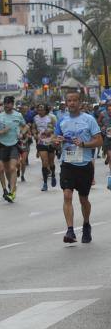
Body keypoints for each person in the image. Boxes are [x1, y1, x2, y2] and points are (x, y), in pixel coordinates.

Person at [53, 91, 102, 244]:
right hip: (68, 163)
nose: (72, 103)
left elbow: (99, 140)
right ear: (66, 103)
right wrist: (57, 140)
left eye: (74, 100)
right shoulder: (62, 120)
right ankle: (70, 230)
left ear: (80, 103)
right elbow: (55, 137)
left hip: (85, 164)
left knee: (83, 199)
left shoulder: (89, 119)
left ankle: (86, 225)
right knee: (67, 195)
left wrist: (84, 144)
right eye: (69, 100)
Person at [0, 96, 25, 202]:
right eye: (5, 103)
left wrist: (21, 133)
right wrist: (2, 132)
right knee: (4, 169)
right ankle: (7, 187)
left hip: (14, 145)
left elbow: (25, 126)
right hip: (2, 145)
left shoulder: (18, 115)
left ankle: (12, 192)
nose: (7, 105)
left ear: (12, 104)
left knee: (12, 168)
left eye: (9, 103)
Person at [33, 103, 58, 191]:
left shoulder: (51, 117)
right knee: (44, 162)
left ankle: (53, 175)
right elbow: (34, 128)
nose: (40, 111)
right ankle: (45, 183)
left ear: (46, 110)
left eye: (42, 109)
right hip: (41, 142)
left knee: (51, 162)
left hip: (50, 142)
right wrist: (35, 135)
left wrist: (51, 131)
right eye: (38, 109)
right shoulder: (35, 118)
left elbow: (57, 128)